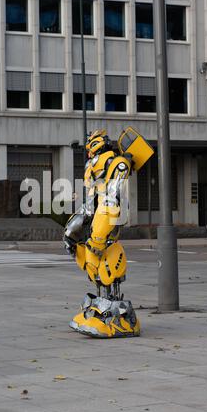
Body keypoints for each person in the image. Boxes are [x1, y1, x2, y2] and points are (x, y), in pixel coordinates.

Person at [64, 127, 154, 338]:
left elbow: (114, 193)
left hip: (108, 213)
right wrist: (71, 232)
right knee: (86, 255)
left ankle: (115, 313)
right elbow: (89, 203)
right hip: (96, 213)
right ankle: (100, 308)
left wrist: (104, 218)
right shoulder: (94, 174)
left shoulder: (117, 163)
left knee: (101, 254)